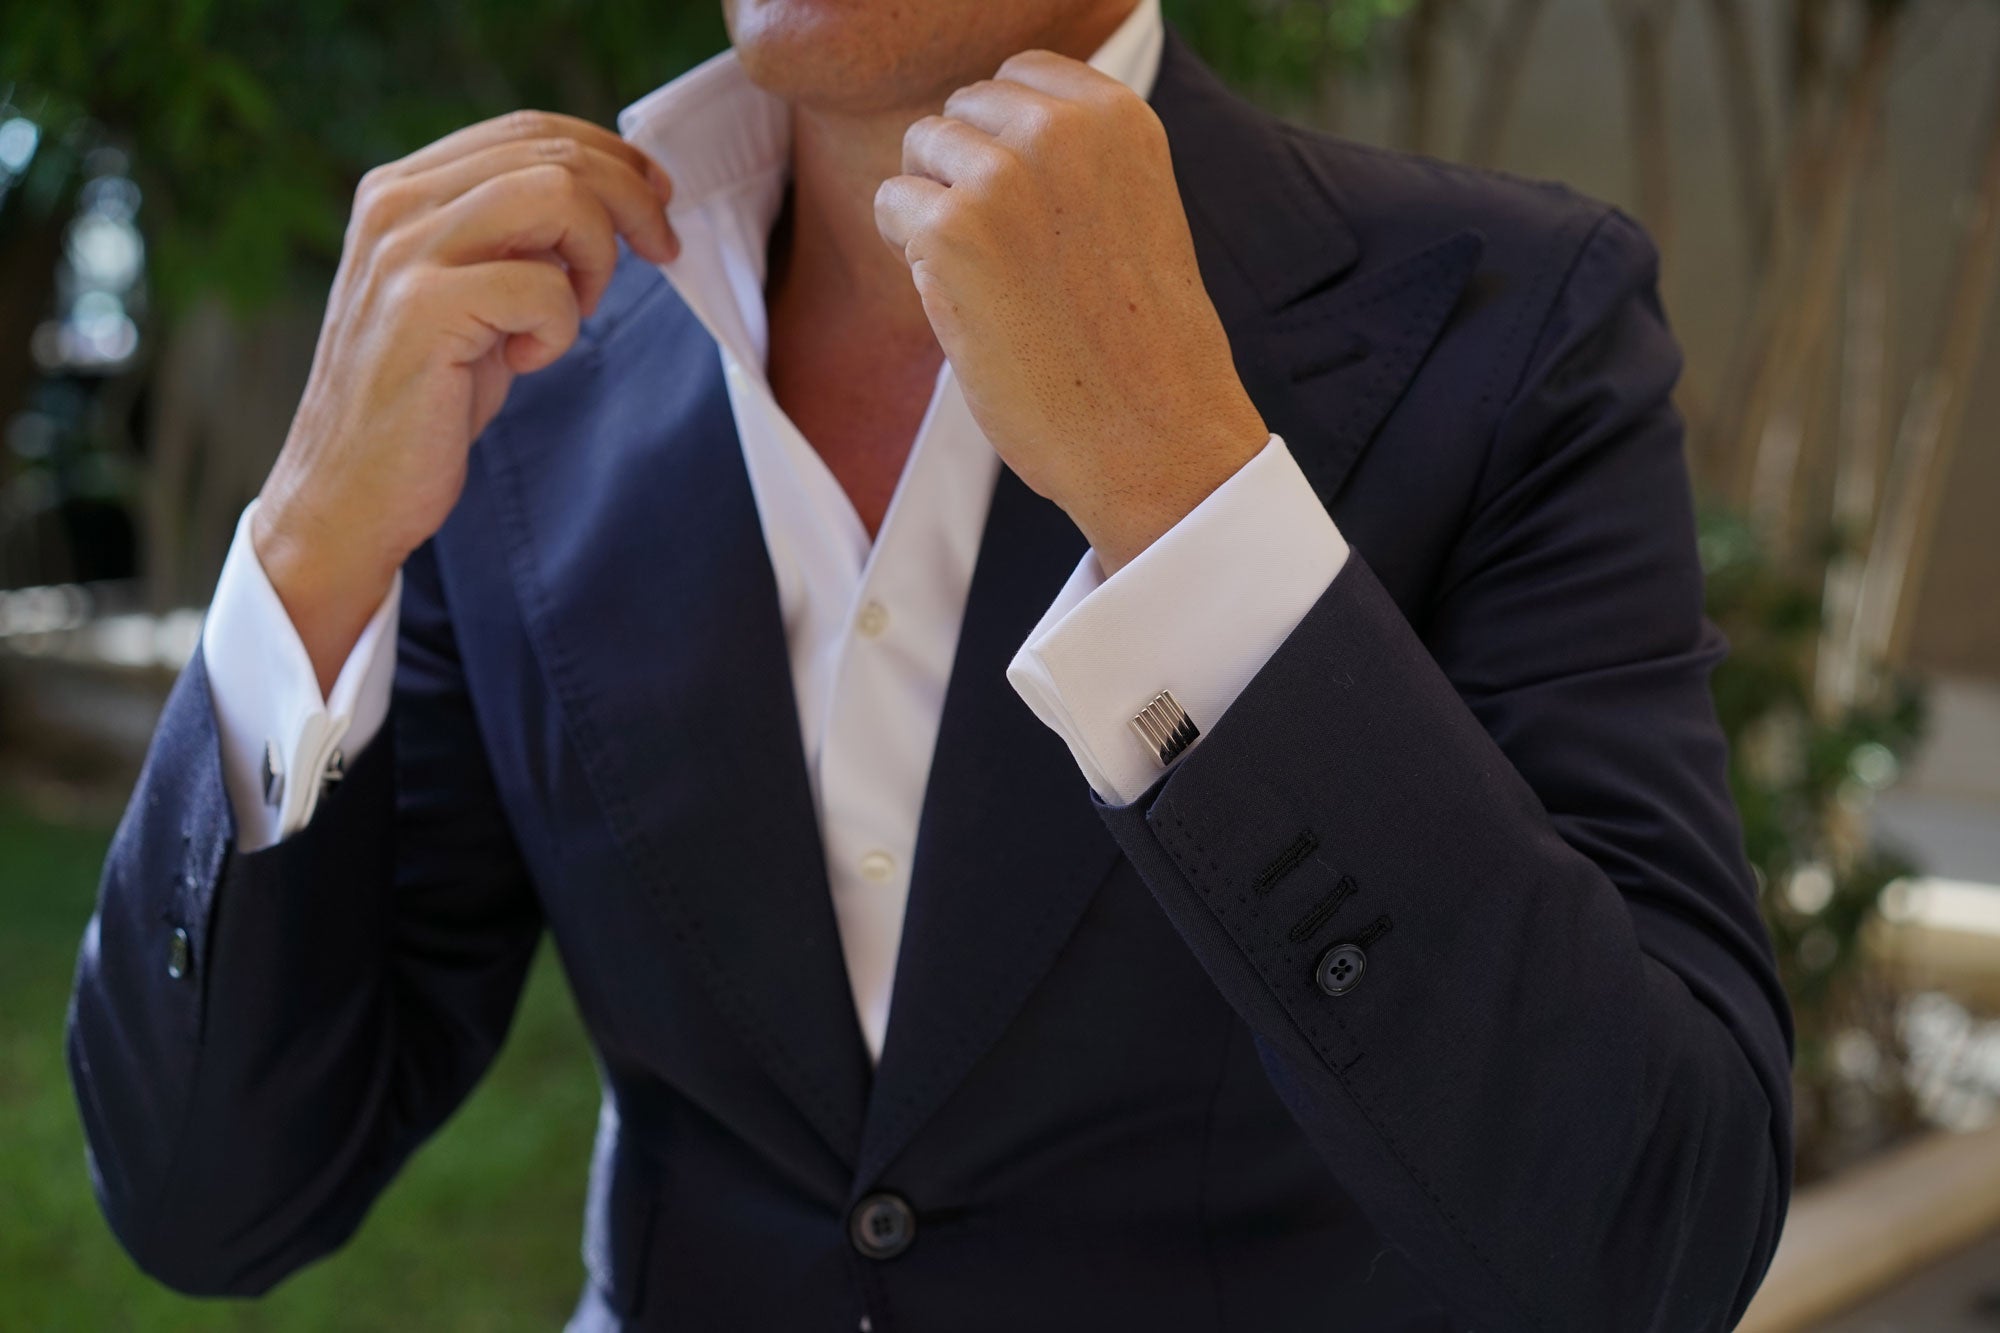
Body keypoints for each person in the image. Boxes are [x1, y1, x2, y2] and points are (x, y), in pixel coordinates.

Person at [65, 0, 1795, 1328]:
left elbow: (1650, 1228)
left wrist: (1181, 490)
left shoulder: (1512, 323)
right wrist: (303, 550)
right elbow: (214, 1202)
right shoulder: (523, 382)